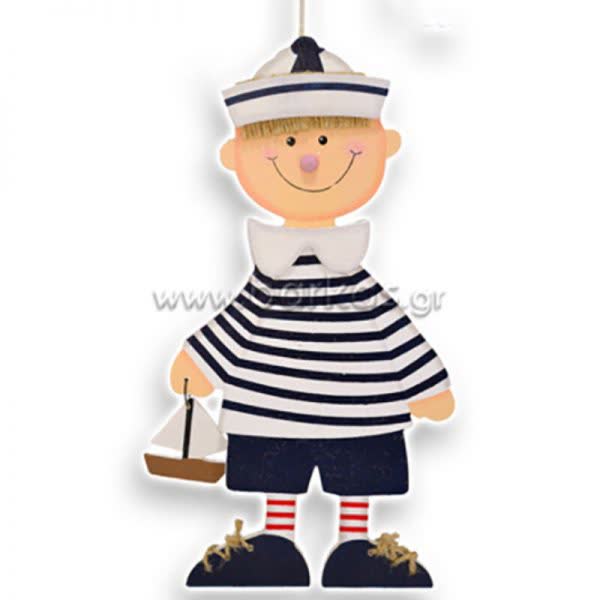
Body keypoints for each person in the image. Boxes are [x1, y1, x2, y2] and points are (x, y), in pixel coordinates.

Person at [170, 35, 455, 588]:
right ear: (234, 157)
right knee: (278, 469)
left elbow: (394, 328)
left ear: (385, 147)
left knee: (358, 471)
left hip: (360, 409)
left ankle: (355, 546)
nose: (308, 158)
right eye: (289, 142)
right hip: (272, 405)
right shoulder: (269, 277)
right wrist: (199, 362)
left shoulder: (357, 282)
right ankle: (277, 545)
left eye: (326, 139)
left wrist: (425, 384)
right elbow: (236, 321)